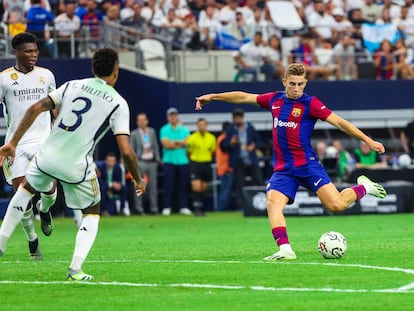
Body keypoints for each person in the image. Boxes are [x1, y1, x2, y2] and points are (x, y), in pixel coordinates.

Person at [195, 62, 387, 260]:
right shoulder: (274, 100)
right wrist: (213, 96)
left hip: (307, 165)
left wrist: (367, 139)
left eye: (300, 84)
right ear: (284, 81)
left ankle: (364, 187)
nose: (296, 89)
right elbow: (243, 96)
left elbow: (339, 122)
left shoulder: (311, 103)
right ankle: (285, 249)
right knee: (272, 202)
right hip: (284, 169)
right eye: (292, 84)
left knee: (336, 205)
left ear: (305, 83)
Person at [0, 48, 146, 281]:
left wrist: (13, 142)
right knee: (91, 211)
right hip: (76, 164)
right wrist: (138, 179)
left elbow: (35, 108)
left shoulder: (72, 85)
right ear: (116, 72)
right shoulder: (118, 102)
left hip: (45, 155)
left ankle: (1, 244)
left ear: (93, 68)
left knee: (24, 191)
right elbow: (126, 151)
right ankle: (75, 269)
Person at [0, 32, 56, 260]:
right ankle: (32, 240)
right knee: (19, 195)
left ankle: (45, 209)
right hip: (16, 144)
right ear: (17, 52)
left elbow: (56, 107)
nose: (33, 55)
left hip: (43, 140)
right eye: (28, 51)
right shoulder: (4, 78)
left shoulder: (47, 75)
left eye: (35, 51)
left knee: (50, 190)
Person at [221, 108, 263, 211]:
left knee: (259, 182)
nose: (238, 120)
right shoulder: (231, 130)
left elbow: (259, 141)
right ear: (234, 119)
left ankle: (263, 205)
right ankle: (243, 207)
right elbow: (224, 146)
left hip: (251, 159)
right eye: (236, 118)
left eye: (240, 117)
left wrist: (254, 146)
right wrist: (232, 143)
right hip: (238, 162)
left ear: (242, 118)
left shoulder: (250, 128)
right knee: (239, 185)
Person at [160, 107, 193, 216]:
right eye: (171, 115)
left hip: (183, 161)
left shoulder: (184, 129)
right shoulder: (164, 129)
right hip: (169, 161)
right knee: (168, 185)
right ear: (168, 117)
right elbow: (166, 144)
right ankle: (167, 207)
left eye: (174, 115)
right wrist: (180, 143)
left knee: (183, 185)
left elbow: (187, 142)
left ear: (177, 116)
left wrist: (174, 143)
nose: (173, 117)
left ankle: (183, 206)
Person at [130, 112, 161, 215]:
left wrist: (158, 158)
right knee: (139, 184)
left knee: (153, 186)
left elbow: (155, 146)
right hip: (140, 162)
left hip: (151, 162)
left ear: (147, 121)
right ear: (137, 122)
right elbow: (132, 149)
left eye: (144, 119)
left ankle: (154, 208)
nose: (142, 122)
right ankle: (139, 208)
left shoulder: (151, 132)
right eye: (140, 120)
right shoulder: (134, 134)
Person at [186, 118, 216, 216]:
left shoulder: (211, 138)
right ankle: (197, 208)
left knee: (204, 187)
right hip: (195, 163)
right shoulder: (192, 138)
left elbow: (212, 151)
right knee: (196, 186)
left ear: (206, 125)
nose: (201, 127)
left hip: (206, 163)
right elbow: (188, 152)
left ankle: (201, 207)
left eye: (203, 125)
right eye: (199, 125)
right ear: (197, 126)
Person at [96, 152, 124, 216]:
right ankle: (104, 211)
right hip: (105, 186)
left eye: (112, 161)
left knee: (124, 188)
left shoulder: (118, 168)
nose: (110, 163)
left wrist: (118, 185)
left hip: (114, 188)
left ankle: (122, 210)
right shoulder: (101, 168)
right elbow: (100, 181)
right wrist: (111, 184)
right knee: (102, 188)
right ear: (106, 160)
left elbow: (119, 180)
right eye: (109, 161)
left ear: (115, 161)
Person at [215, 121, 233, 211]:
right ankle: (220, 209)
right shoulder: (223, 139)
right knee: (225, 191)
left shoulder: (220, 138)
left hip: (223, 168)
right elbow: (225, 148)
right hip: (225, 169)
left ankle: (221, 209)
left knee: (225, 190)